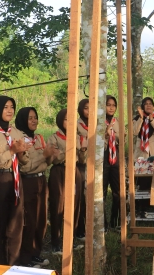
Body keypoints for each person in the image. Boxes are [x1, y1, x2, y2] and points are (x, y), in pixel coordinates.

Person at [0, 96, 31, 265]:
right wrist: (10, 151)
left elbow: (25, 162)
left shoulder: (17, 133)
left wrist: (22, 152)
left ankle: (14, 263)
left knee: (15, 224)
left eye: (12, 107)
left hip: (16, 179)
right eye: (5, 107)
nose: (10, 110)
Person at [16, 107, 59, 268]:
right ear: (22, 120)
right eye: (30, 118)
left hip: (42, 180)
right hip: (27, 182)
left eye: (35, 117)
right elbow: (25, 167)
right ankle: (26, 257)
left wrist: (49, 157)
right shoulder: (20, 140)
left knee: (41, 220)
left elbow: (46, 164)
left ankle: (36, 253)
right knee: (30, 220)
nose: (34, 121)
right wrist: (44, 156)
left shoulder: (39, 138)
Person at [46, 109, 85, 254]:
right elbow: (54, 159)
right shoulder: (54, 138)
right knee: (58, 205)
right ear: (60, 121)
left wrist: (82, 150)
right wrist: (68, 152)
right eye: (66, 119)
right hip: (59, 172)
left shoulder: (76, 137)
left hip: (74, 171)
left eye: (72, 119)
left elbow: (82, 159)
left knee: (75, 204)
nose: (69, 122)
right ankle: (56, 242)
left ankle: (71, 239)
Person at [132, 97, 154, 214]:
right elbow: (134, 132)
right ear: (143, 107)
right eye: (146, 104)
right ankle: (141, 208)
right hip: (141, 156)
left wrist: (151, 119)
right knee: (142, 182)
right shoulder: (137, 119)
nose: (148, 106)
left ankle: (153, 206)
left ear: (153, 107)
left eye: (150, 104)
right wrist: (141, 118)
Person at [103, 95, 122, 230]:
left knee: (117, 192)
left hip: (115, 158)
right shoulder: (98, 122)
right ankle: (103, 224)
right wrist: (106, 133)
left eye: (113, 105)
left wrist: (116, 134)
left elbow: (122, 139)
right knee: (102, 192)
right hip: (103, 159)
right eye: (108, 104)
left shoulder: (117, 122)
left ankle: (115, 222)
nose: (111, 107)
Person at [75, 99, 90, 240]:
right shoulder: (77, 124)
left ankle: (88, 227)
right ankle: (80, 229)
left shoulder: (97, 124)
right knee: (82, 197)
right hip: (82, 163)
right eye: (86, 108)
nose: (89, 111)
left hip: (94, 163)